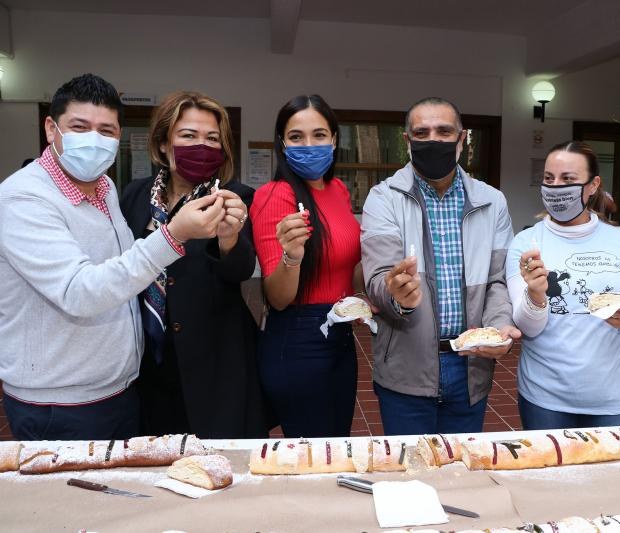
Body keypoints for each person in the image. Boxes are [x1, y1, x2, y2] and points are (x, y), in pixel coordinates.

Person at [0, 74, 223, 440]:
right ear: (51, 128)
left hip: (116, 390)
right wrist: (173, 234)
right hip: (61, 403)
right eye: (80, 126)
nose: (94, 140)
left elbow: (120, 276)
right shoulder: (24, 198)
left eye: (106, 130)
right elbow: (79, 291)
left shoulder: (104, 190)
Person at [361, 96, 520, 436]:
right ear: (408, 142)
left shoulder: (492, 201)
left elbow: (497, 281)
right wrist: (396, 293)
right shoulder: (383, 197)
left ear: (462, 139)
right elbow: (376, 279)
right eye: (422, 133)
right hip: (406, 366)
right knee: (409, 472)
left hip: (470, 366)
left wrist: (499, 326)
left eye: (445, 131)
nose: (433, 140)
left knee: (463, 473)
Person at [120, 91, 268, 438]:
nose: (201, 146)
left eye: (212, 138)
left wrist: (229, 239)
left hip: (215, 360)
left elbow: (241, 270)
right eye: (188, 136)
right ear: (162, 144)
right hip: (148, 360)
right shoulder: (134, 195)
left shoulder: (236, 196)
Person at [506, 141, 620, 430]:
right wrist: (535, 294)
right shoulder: (526, 243)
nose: (556, 187)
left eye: (568, 179)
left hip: (611, 396)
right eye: (549, 179)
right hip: (545, 395)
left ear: (593, 185)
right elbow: (527, 328)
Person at [250, 95, 362, 438]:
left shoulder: (339, 190)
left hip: (342, 334)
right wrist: (293, 256)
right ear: (282, 144)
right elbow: (279, 297)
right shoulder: (274, 196)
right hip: (299, 340)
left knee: (338, 443)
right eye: (296, 137)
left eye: (319, 135)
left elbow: (348, 267)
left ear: (334, 140)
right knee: (312, 453)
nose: (309, 144)